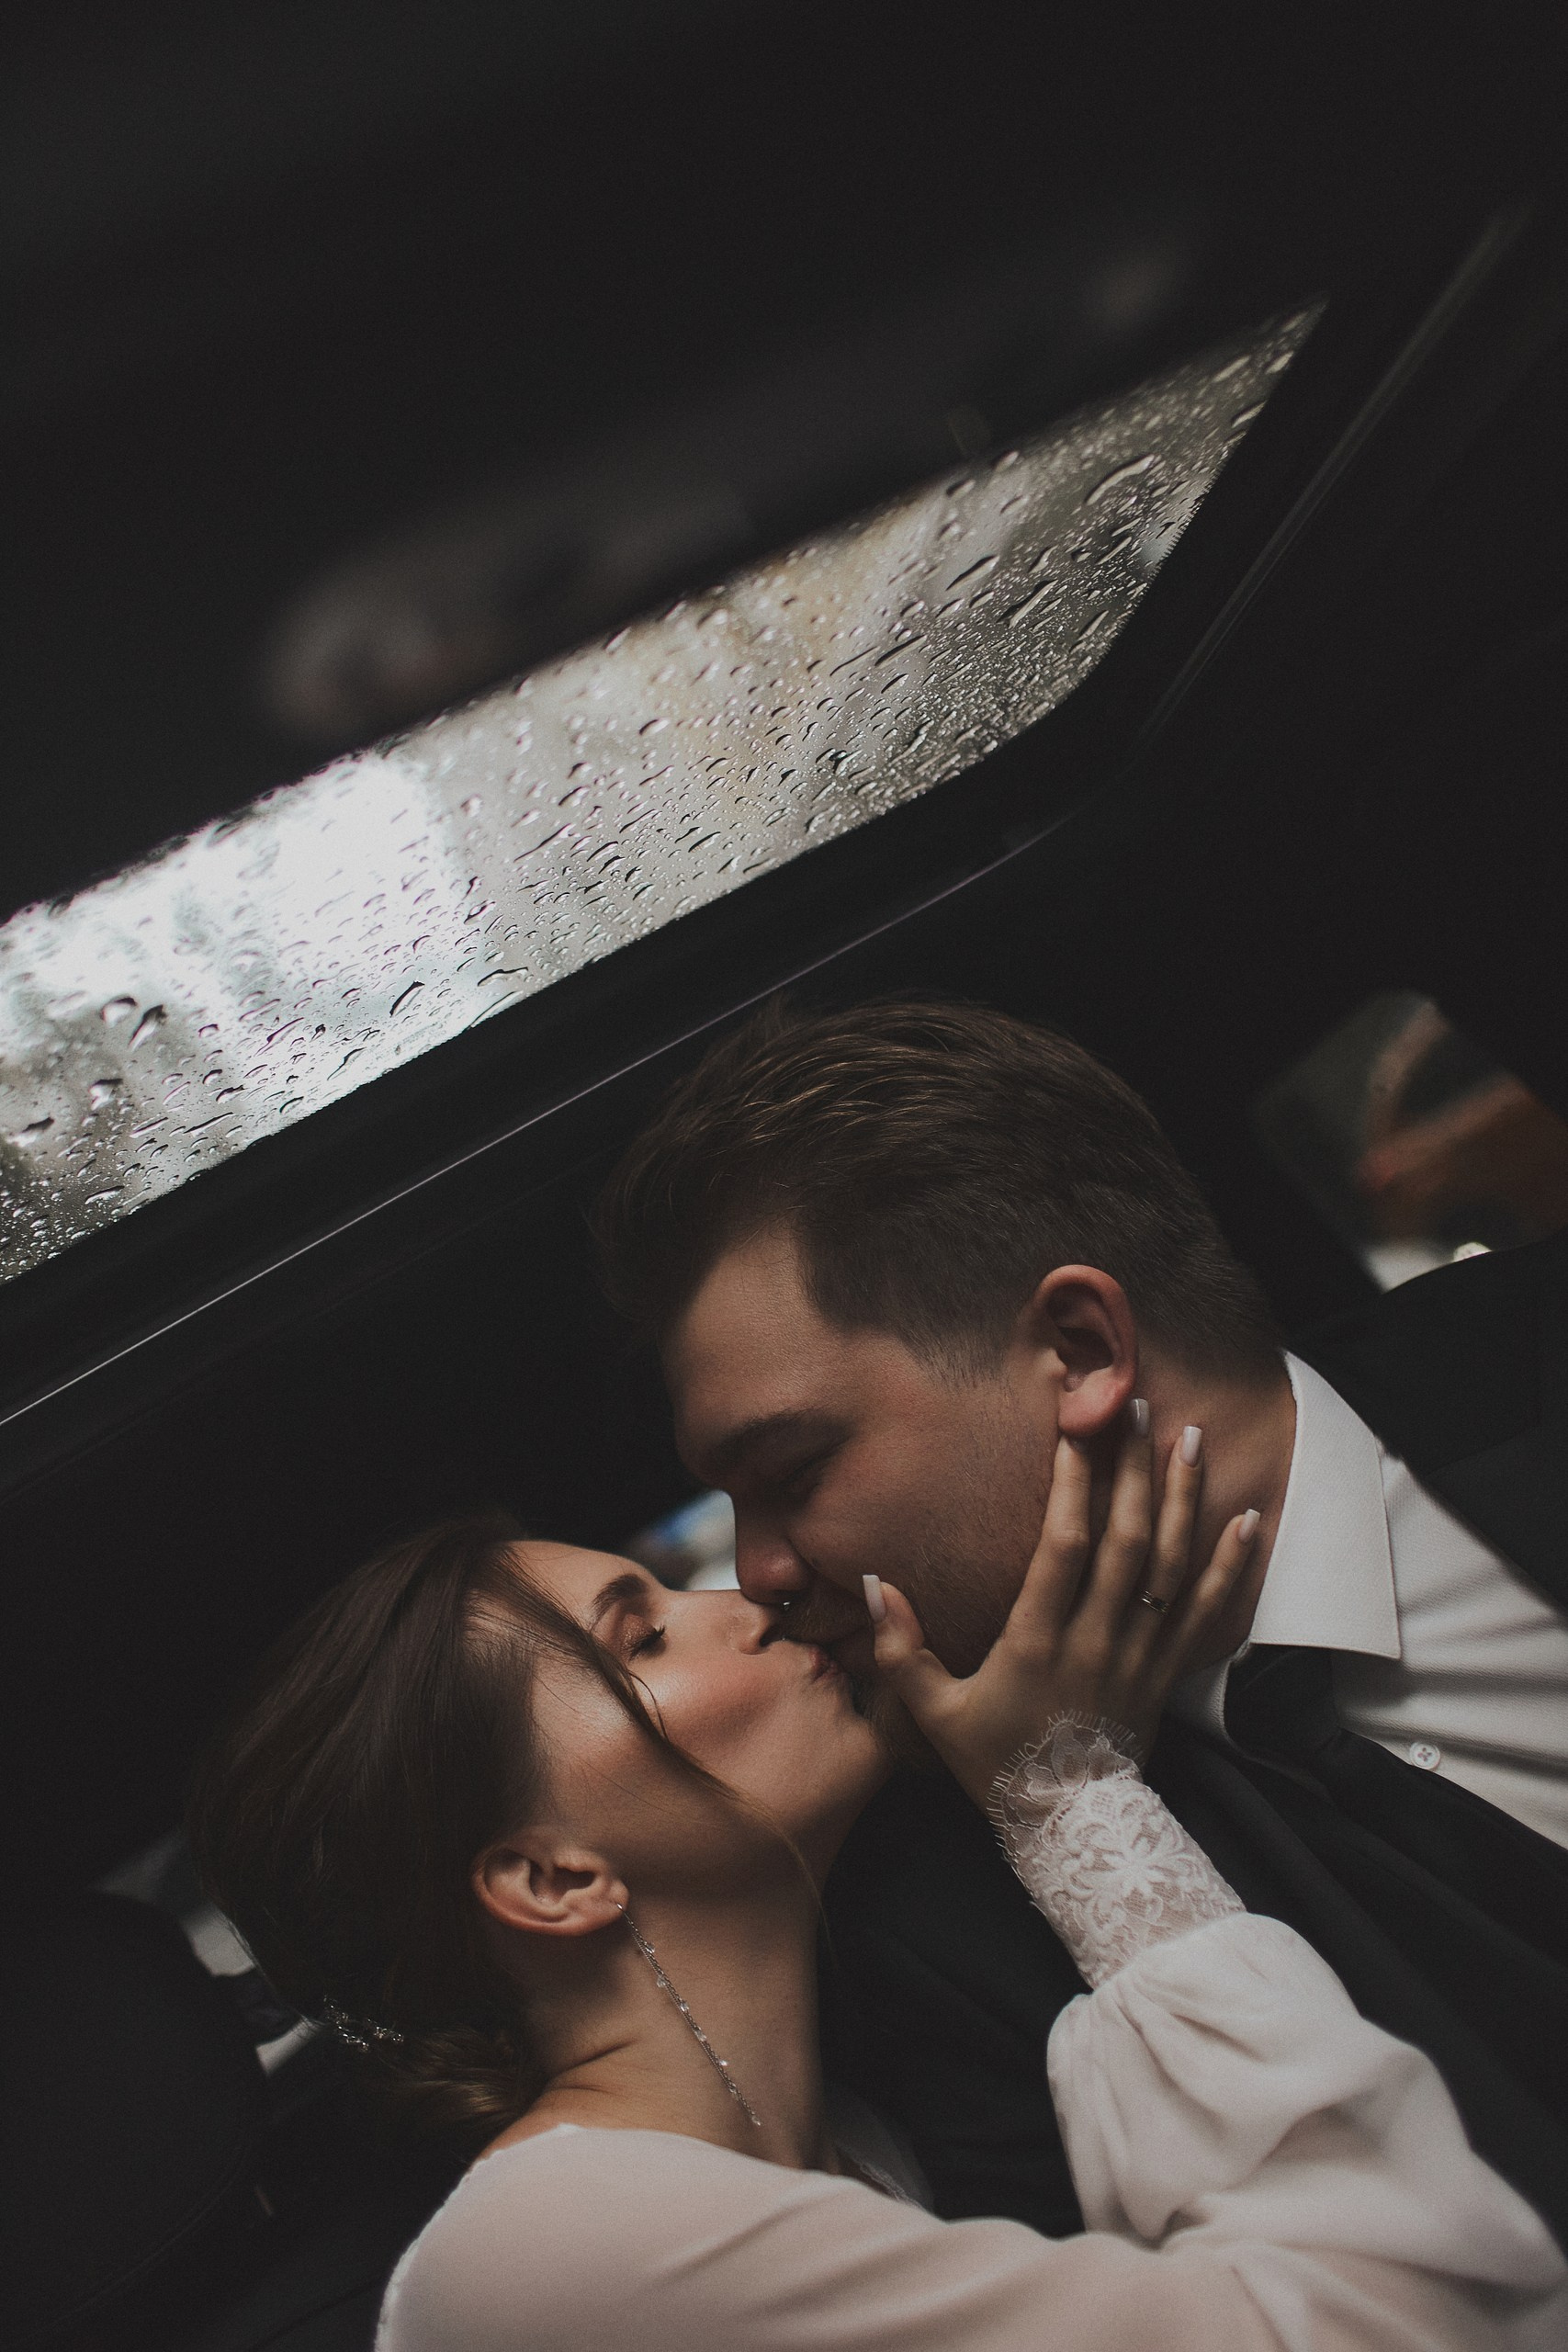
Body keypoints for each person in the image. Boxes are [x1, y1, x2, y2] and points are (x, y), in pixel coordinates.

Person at [187, 1447, 1565, 2351]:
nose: (743, 1602)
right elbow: (1416, 2320)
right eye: (644, 1637)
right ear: (553, 1879)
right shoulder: (552, 2258)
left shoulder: (853, 2151)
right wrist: (1065, 1800)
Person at [594, 996, 1568, 2245]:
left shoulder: (1530, 1357)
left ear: (1080, 1348)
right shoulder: (952, 1939)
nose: (760, 1572)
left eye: (792, 1472)